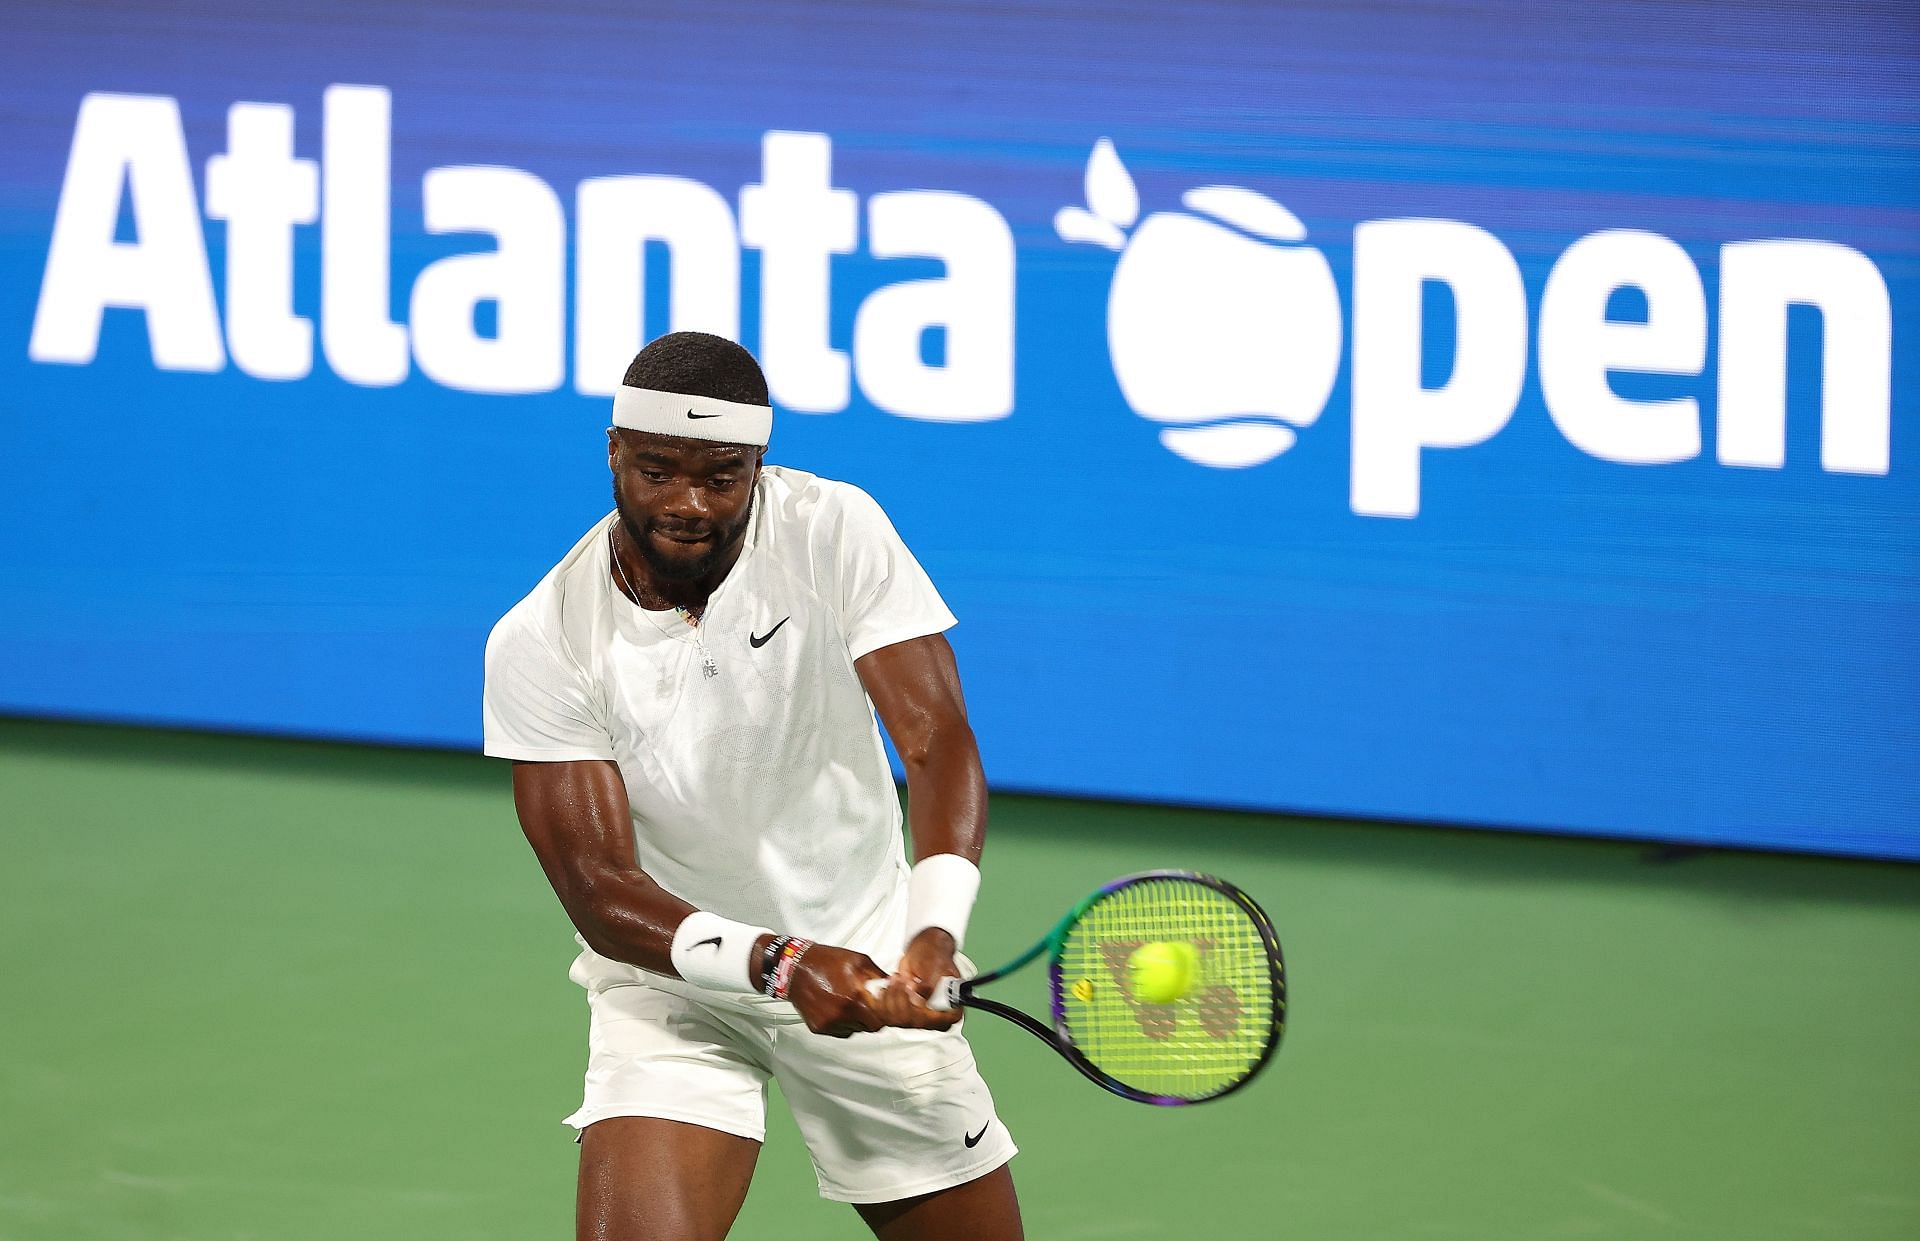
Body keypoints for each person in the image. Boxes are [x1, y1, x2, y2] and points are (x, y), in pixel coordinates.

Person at [482, 331, 1023, 1241]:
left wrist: (932, 929)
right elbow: (603, 893)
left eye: (721, 476)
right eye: (657, 470)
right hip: (676, 981)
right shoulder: (541, 641)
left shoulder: (831, 527)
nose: (688, 503)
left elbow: (935, 740)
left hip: (867, 956)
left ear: (758, 467)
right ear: (614, 451)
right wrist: (778, 961)